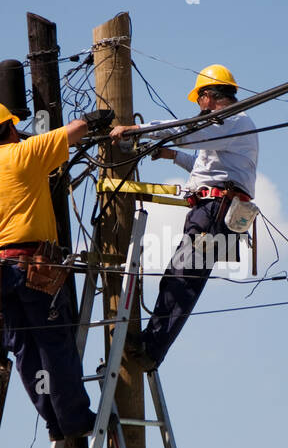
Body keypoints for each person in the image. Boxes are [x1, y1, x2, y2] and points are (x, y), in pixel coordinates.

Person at [0, 101, 111, 440]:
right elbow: (72, 133)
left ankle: (54, 423)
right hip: (33, 266)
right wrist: (95, 119)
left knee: (25, 350)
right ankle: (74, 419)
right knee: (54, 344)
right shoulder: (25, 153)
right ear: (12, 128)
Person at [109, 64, 259, 371]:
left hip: (215, 212)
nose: (198, 106)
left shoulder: (234, 120)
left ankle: (151, 352)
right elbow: (207, 167)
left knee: (182, 280)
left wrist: (141, 130)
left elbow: (190, 134)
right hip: (212, 212)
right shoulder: (223, 129)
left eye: (199, 100)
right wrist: (170, 155)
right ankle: (152, 345)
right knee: (177, 276)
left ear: (207, 96)